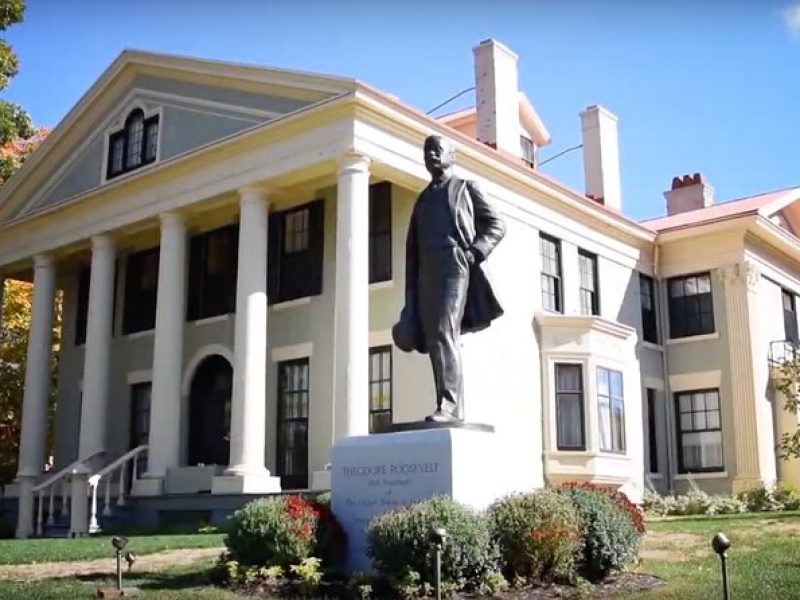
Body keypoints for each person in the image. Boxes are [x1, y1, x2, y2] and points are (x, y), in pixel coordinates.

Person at [392, 134, 506, 422]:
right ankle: (450, 407)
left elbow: (497, 224)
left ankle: (449, 406)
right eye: (427, 150)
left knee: (445, 332)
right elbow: (413, 251)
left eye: (437, 150)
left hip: (455, 266)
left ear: (451, 156)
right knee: (435, 339)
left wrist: (475, 252)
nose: (431, 155)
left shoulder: (466, 188)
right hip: (426, 274)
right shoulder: (423, 199)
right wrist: (410, 301)